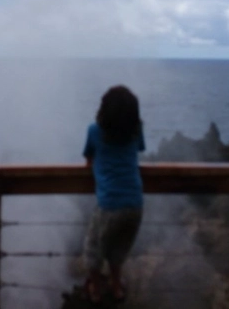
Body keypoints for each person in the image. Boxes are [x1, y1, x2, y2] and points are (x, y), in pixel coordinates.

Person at [82, 85, 145, 303]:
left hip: (109, 204)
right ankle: (116, 287)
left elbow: (89, 159)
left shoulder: (94, 131)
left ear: (104, 110)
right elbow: (138, 149)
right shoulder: (136, 131)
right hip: (135, 204)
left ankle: (95, 290)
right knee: (118, 249)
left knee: (93, 249)